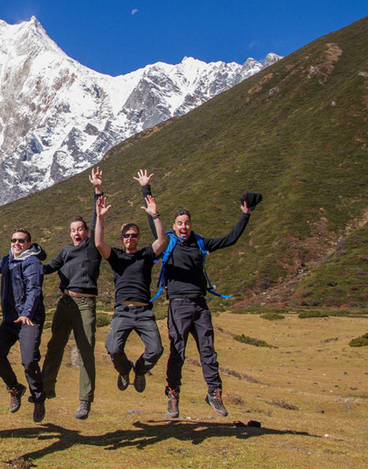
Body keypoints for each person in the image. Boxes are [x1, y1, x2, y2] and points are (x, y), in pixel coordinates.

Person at [140, 169, 253, 418]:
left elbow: (230, 240)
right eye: (180, 223)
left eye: (187, 223)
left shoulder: (200, 243)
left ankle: (214, 393)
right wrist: (146, 190)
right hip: (178, 305)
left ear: (191, 225)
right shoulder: (167, 242)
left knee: (208, 351)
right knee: (177, 352)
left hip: (200, 304)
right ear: (174, 226)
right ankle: (173, 394)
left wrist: (245, 215)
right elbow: (153, 223)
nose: (184, 227)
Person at [93, 169, 167, 397]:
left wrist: (155, 215)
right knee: (113, 349)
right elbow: (98, 243)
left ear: (138, 237)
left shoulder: (146, 255)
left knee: (155, 350)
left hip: (144, 312)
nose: (130, 238)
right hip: (122, 311)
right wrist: (101, 217)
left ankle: (140, 371)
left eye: (134, 235)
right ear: (122, 238)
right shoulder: (116, 257)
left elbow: (162, 240)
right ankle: (124, 370)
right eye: (127, 235)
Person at [40, 167, 104, 420]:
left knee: (86, 350)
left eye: (80, 229)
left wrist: (97, 190)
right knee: (54, 344)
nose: (77, 233)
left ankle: (85, 400)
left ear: (86, 232)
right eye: (73, 230)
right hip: (65, 303)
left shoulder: (92, 248)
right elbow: (47, 269)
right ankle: (45, 389)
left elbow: (97, 218)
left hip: (85, 303)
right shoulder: (66, 252)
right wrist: (22, 263)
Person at [0, 229, 47, 423]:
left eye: (21, 241)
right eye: (14, 240)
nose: (16, 243)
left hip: (29, 319)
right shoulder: (9, 260)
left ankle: (39, 397)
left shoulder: (32, 263)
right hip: (10, 320)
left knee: (29, 361)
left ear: (28, 243)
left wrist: (26, 313)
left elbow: (34, 289)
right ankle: (15, 388)